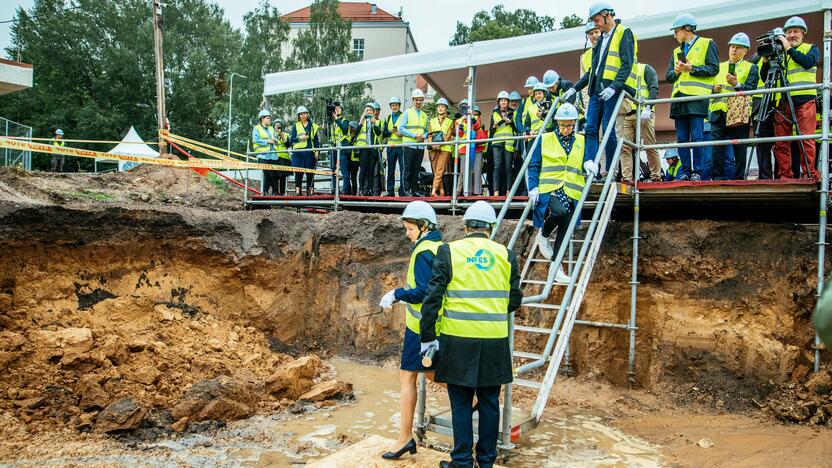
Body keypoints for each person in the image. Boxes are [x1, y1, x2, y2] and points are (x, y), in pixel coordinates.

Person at [419, 200, 522, 468]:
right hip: (494, 340)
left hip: (457, 340)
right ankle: (486, 461)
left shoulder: (449, 251)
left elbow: (432, 298)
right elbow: (515, 300)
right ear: (492, 227)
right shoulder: (506, 254)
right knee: (489, 402)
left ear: (465, 226)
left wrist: (427, 337)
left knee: (461, 402)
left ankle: (462, 461)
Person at [378, 201, 444, 460]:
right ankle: (476, 400)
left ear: (424, 226)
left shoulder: (425, 251)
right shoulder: (437, 246)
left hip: (421, 328)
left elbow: (424, 292)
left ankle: (405, 438)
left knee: (411, 377)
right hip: (430, 325)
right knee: (427, 375)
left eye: (409, 229)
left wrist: (397, 293)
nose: (407, 234)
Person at [527, 104, 596, 284]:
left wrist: (588, 163)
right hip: (550, 188)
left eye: (569, 125)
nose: (566, 129)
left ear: (574, 124)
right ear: (557, 123)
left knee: (565, 232)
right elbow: (534, 165)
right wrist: (533, 187)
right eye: (563, 125)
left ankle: (556, 269)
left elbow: (584, 160)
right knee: (559, 212)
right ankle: (543, 234)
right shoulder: (545, 139)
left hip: (572, 191)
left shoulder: (581, 140)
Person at [573, 3, 637, 176]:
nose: (596, 25)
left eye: (597, 20)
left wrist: (614, 87)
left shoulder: (624, 32)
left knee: (608, 130)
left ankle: (610, 170)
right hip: (595, 90)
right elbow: (592, 71)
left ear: (607, 15)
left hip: (611, 89)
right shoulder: (600, 40)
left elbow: (627, 64)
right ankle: (590, 166)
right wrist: (574, 89)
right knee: (591, 129)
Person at [762, 16, 819, 179]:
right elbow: (765, 77)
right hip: (784, 101)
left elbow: (808, 62)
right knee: (781, 142)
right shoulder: (779, 53)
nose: (792, 35)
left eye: (796, 31)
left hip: (805, 99)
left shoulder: (810, 48)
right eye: (789, 32)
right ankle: (785, 176)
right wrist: (766, 60)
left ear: (803, 33)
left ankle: (809, 174)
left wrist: (788, 49)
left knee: (806, 140)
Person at [666, 13, 719, 181]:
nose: (674, 35)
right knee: (681, 138)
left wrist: (692, 68)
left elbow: (713, 69)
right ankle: (685, 171)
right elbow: (669, 77)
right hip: (679, 99)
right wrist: (675, 72)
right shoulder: (676, 51)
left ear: (686, 29)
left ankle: (698, 171)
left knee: (697, 136)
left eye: (676, 31)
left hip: (696, 98)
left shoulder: (707, 43)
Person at [709, 33, 759, 180]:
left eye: (738, 47)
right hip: (718, 112)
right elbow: (707, 88)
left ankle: (738, 178)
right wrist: (713, 89)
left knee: (739, 148)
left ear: (746, 51)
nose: (734, 50)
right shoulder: (719, 67)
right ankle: (717, 177)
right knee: (717, 148)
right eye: (732, 46)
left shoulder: (751, 68)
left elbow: (751, 89)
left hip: (739, 114)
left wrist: (736, 85)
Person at [615, 63, 662, 183]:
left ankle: (656, 176)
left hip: (643, 112)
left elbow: (654, 88)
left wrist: (649, 107)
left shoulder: (645, 69)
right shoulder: (622, 71)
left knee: (649, 145)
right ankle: (627, 178)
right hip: (626, 113)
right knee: (625, 147)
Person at [399, 89, 430, 196]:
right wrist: (414, 135)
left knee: (416, 169)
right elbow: (401, 128)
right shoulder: (407, 113)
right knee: (407, 169)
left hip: (420, 146)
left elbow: (427, 131)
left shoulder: (424, 115)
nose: (418, 102)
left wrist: (424, 136)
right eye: (417, 100)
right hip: (409, 145)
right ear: (413, 100)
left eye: (420, 100)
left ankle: (414, 189)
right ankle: (406, 190)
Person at [489, 91, 517, 196]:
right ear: (499, 102)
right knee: (497, 167)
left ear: (508, 102)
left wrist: (511, 123)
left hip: (509, 142)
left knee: (508, 167)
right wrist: (494, 127)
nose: (504, 102)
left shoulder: (513, 113)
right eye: (502, 100)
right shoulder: (494, 113)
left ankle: (508, 192)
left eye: (505, 100)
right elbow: (490, 132)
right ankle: (496, 192)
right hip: (497, 143)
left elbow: (516, 129)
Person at [289, 106, 321, 196]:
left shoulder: (313, 126)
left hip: (309, 152)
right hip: (298, 153)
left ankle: (310, 191)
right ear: (299, 115)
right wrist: (300, 138)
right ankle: (298, 191)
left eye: (305, 113)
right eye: (301, 114)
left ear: (308, 114)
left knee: (310, 173)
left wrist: (317, 151)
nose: (303, 116)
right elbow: (292, 139)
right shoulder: (296, 125)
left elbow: (316, 141)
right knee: (298, 173)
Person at [428, 98, 454, 197]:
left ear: (446, 109)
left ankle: (433, 191)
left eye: (442, 107)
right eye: (439, 106)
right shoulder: (431, 121)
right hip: (433, 149)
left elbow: (448, 136)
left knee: (439, 170)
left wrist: (439, 144)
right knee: (436, 171)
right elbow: (429, 135)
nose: (440, 108)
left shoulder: (450, 121)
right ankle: (442, 191)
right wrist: (432, 145)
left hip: (445, 149)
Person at [458, 106, 486, 196]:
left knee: (477, 170)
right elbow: (459, 133)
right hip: (464, 148)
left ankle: (478, 192)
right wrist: (462, 120)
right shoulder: (458, 120)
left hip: (476, 147)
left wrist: (471, 117)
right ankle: (467, 192)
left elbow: (477, 126)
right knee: (466, 171)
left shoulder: (476, 118)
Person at [356, 103, 382, 196]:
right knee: (363, 170)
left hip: (373, 149)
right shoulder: (360, 122)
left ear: (374, 112)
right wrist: (361, 122)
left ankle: (370, 189)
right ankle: (362, 189)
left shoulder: (377, 122)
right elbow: (355, 133)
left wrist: (374, 123)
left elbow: (379, 133)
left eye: (371, 110)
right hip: (363, 149)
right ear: (364, 112)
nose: (369, 112)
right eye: (367, 110)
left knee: (371, 171)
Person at [252, 110, 279, 195]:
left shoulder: (271, 128)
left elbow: (274, 138)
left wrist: (275, 140)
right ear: (262, 119)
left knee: (272, 174)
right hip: (262, 155)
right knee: (267, 173)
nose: (269, 120)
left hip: (272, 155)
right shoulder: (256, 128)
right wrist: (267, 141)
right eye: (268, 118)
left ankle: (265, 191)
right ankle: (275, 190)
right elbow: (255, 140)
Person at [579, 22, 602, 120]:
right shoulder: (584, 57)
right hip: (594, 100)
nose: (594, 35)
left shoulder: (609, 49)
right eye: (591, 33)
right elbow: (584, 86)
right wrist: (587, 106)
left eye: (596, 32)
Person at [383, 96, 405, 196]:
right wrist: (390, 132)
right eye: (393, 105)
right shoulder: (387, 118)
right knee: (390, 169)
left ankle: (402, 190)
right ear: (390, 106)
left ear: (399, 106)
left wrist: (398, 133)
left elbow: (406, 130)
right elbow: (384, 134)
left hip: (401, 146)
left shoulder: (404, 116)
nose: (394, 107)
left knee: (402, 169)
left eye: (396, 105)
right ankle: (390, 191)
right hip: (391, 147)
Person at [508, 91, 528, 196]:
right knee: (514, 169)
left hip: (521, 144)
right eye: (512, 101)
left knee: (523, 167)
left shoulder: (523, 111)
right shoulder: (508, 113)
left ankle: (523, 190)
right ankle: (517, 191)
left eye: (516, 101)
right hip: (512, 146)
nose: (514, 103)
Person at [329, 103, 350, 192]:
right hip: (333, 148)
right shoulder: (332, 123)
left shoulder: (345, 120)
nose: (337, 109)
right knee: (333, 170)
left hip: (342, 149)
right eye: (335, 108)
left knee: (344, 171)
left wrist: (337, 119)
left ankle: (345, 190)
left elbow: (345, 129)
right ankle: (334, 188)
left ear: (342, 110)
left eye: (339, 108)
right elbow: (329, 135)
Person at [272, 119, 291, 195]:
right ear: (274, 127)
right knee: (274, 176)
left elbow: (288, 145)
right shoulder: (271, 134)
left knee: (283, 176)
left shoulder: (285, 134)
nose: (278, 126)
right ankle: (275, 192)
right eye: (276, 125)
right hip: (274, 157)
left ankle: (282, 193)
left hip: (284, 157)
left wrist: (283, 138)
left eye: (279, 125)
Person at [346, 121, 360, 194]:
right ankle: (348, 193)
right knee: (347, 178)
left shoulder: (358, 137)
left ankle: (354, 194)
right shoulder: (348, 137)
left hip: (355, 161)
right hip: (348, 161)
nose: (350, 129)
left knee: (353, 179)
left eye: (352, 127)